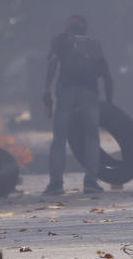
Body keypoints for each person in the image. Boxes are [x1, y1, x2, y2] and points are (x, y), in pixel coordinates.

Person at [42, 15, 113, 195]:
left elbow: (52, 62)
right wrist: (110, 101)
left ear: (67, 28)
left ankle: (56, 184)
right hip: (89, 91)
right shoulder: (93, 43)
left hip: (66, 90)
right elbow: (106, 72)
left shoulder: (60, 40)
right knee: (92, 136)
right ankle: (90, 182)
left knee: (59, 138)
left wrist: (46, 88)